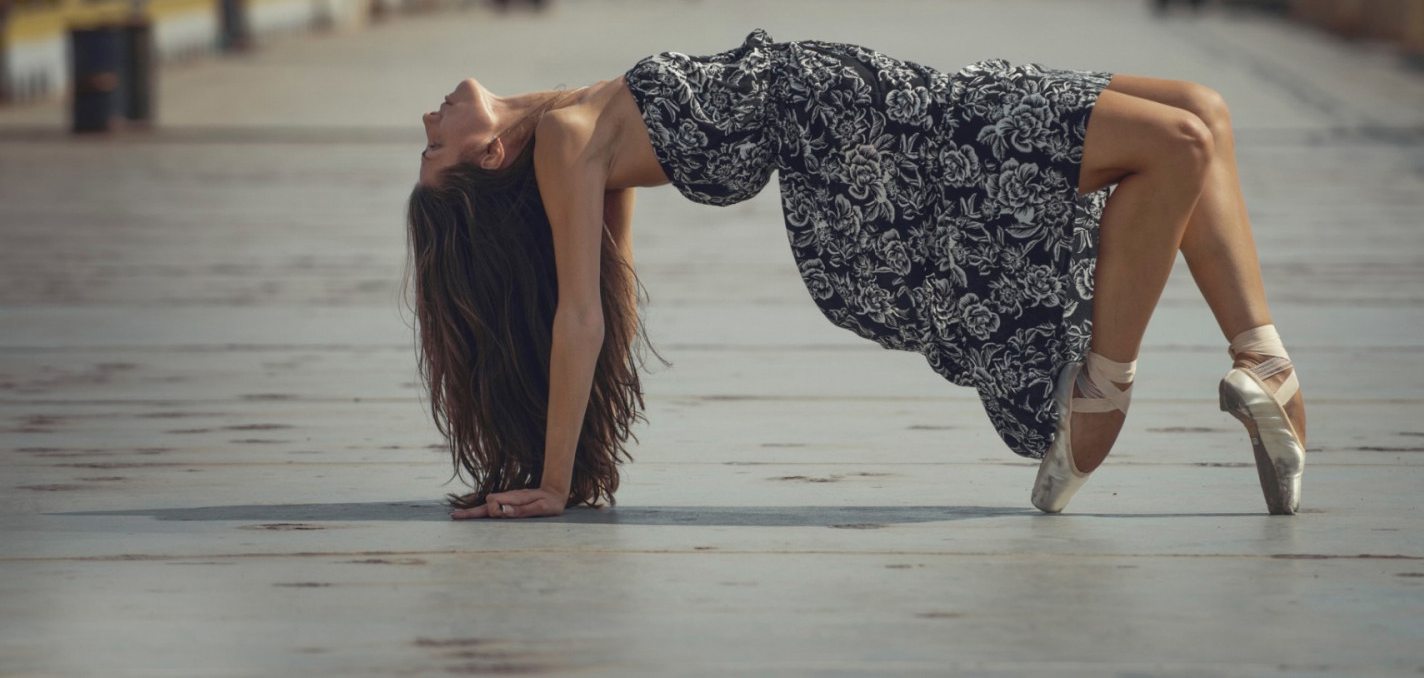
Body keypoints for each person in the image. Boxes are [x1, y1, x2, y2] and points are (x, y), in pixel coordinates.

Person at [408, 30, 1307, 520]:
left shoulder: (571, 127)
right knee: (1177, 142)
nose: (428, 114)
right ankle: (1100, 392)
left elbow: (608, 292)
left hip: (879, 109)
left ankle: (1262, 363)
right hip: (878, 151)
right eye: (432, 143)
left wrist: (584, 446)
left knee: (1202, 110)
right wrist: (560, 483)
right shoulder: (567, 142)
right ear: (486, 160)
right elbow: (580, 321)